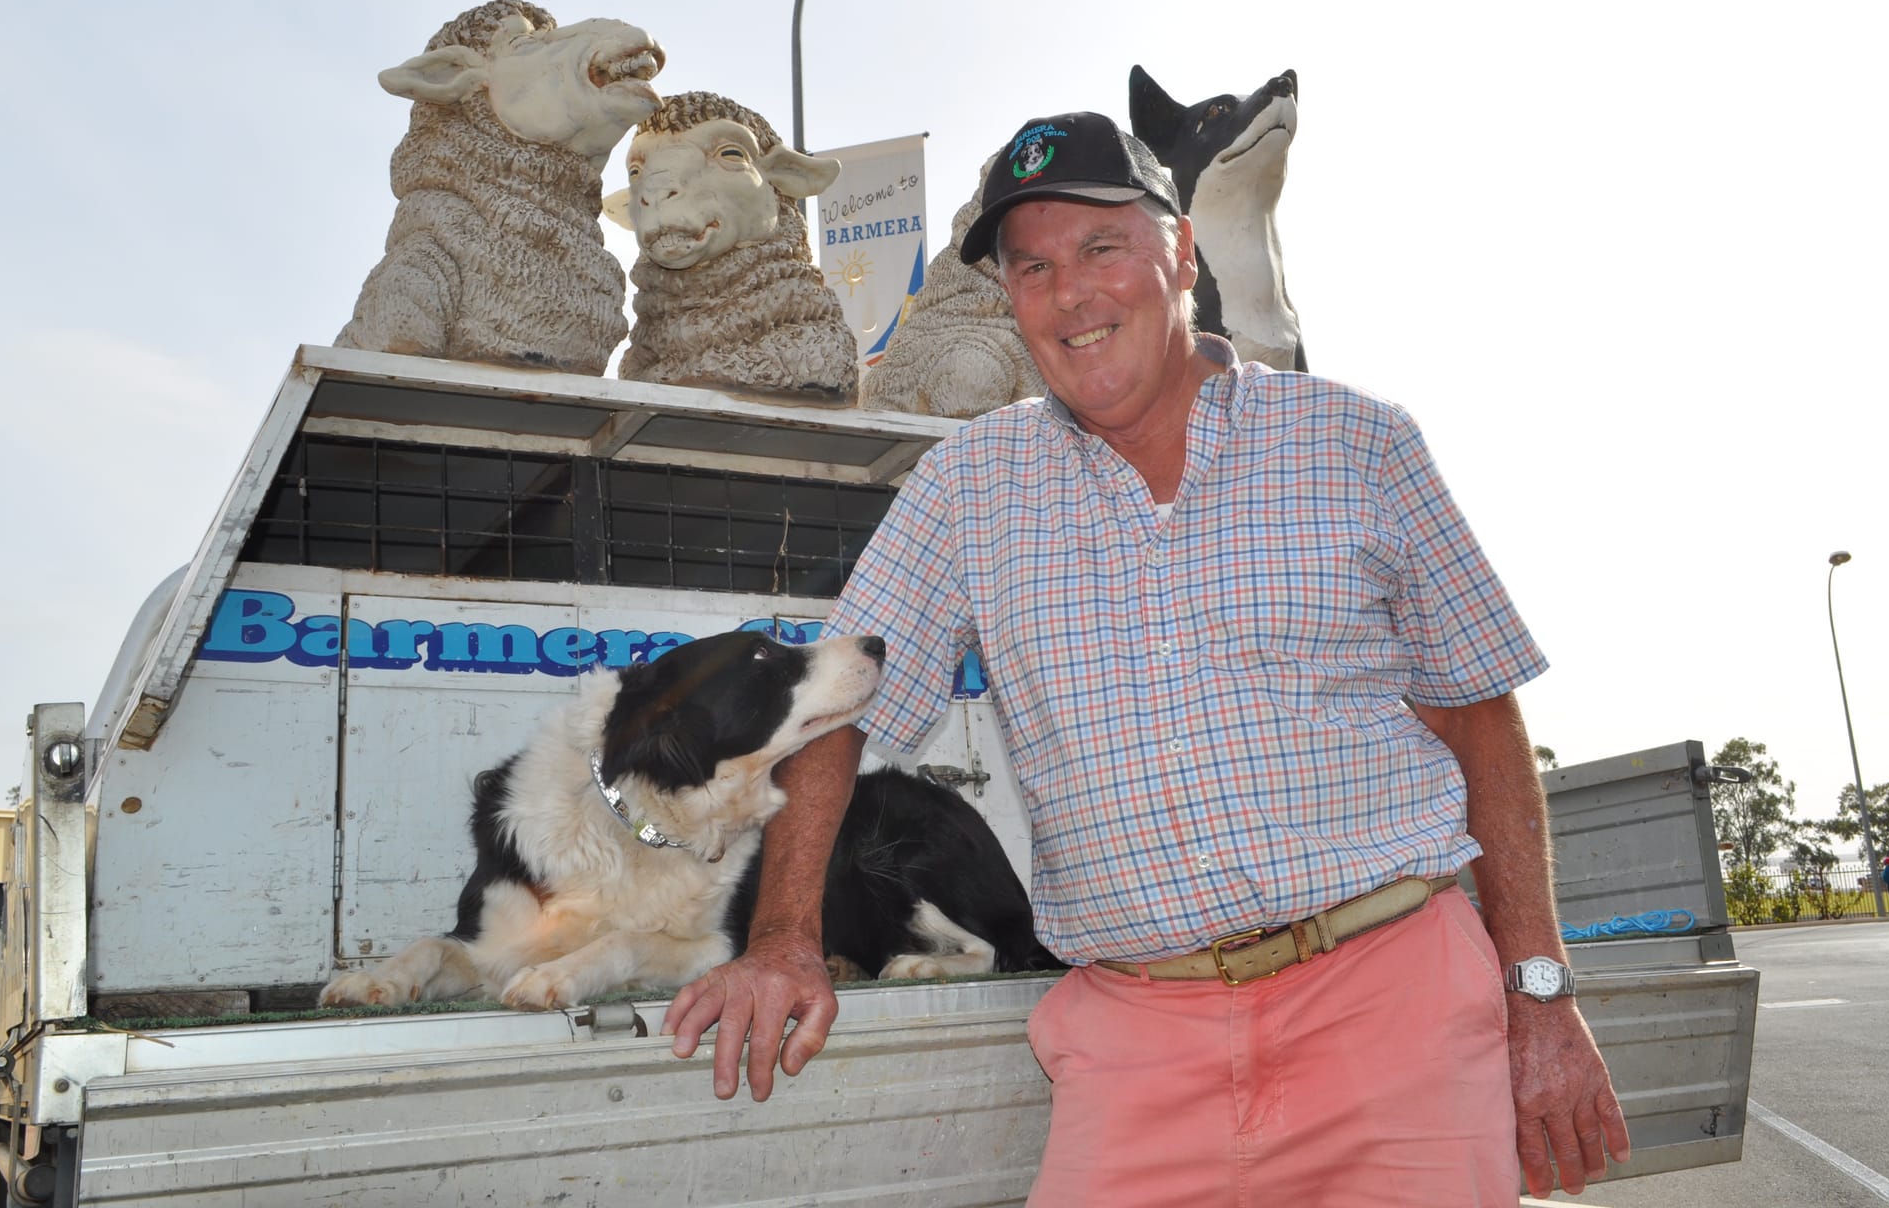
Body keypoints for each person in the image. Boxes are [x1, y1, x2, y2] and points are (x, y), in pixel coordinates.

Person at [665, 111, 1629, 1203]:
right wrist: (783, 936)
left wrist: (1538, 993)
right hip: (1136, 1029)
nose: (1068, 293)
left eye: (1098, 247)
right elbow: (836, 707)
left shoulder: (1358, 443)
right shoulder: (965, 488)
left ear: (1178, 251)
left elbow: (1478, 718)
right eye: (1030, 267)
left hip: (1388, 998)